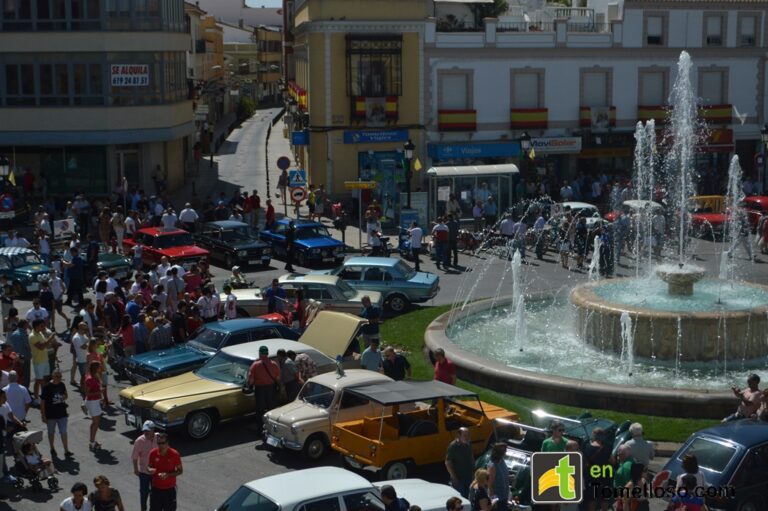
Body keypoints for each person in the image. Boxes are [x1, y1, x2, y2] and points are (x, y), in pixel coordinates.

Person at [147, 432, 182, 511]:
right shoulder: (153, 453)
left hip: (169, 490)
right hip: (156, 489)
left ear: (167, 443)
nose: (160, 445)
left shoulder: (174, 454)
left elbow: (180, 471)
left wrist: (168, 475)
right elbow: (149, 466)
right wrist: (149, 470)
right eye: (158, 443)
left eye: (162, 443)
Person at [248, 346, 280, 429]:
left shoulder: (255, 365)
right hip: (271, 388)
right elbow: (277, 377)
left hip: (260, 389)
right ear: (267, 353)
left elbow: (251, 379)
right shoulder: (274, 364)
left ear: (260, 353)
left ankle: (260, 428)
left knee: (260, 410)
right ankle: (272, 427)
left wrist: (250, 385)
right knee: (271, 408)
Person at [41, 369, 71, 457]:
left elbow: (66, 395)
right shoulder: (46, 387)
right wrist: (43, 415)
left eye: (60, 376)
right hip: (51, 415)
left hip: (62, 413)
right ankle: (52, 447)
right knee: (51, 432)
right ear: (53, 376)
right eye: (57, 376)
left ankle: (66, 450)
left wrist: (63, 397)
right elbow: (42, 402)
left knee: (63, 432)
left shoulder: (62, 384)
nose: (59, 378)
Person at [582, 427, 613, 511]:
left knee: (592, 501)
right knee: (604, 500)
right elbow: (612, 461)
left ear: (593, 435)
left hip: (591, 478)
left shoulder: (587, 447)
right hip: (604, 477)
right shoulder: (607, 448)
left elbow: (585, 462)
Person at [132, 420, 158, 511]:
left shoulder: (159, 438)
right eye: (144, 430)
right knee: (144, 493)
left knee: (155, 493)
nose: (145, 432)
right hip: (144, 472)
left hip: (156, 472)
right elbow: (135, 457)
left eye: (148, 430)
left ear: (153, 430)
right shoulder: (139, 441)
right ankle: (143, 509)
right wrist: (135, 469)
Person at [29, 318, 56, 401]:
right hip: (39, 362)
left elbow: (45, 344)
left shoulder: (40, 333)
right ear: (36, 326)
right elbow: (41, 347)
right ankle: (36, 398)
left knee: (44, 379)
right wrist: (50, 338)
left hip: (45, 360)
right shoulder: (32, 336)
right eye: (42, 326)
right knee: (38, 380)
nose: (44, 327)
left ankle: (44, 396)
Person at [445, 427, 474, 498]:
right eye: (465, 435)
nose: (467, 437)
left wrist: (473, 470)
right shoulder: (453, 446)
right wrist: (454, 477)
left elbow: (471, 456)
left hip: (469, 476)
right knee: (461, 498)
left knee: (470, 497)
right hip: (459, 479)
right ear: (459, 436)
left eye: (468, 435)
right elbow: (448, 463)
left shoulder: (468, 444)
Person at [85, 360, 103, 451]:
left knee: (95, 422)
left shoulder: (96, 376)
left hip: (96, 401)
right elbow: (87, 393)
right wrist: (99, 392)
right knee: (96, 423)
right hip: (92, 402)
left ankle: (92, 441)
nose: (101, 368)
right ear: (96, 368)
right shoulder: (89, 379)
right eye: (99, 366)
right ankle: (92, 442)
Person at [487, 443, 509, 511]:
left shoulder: (502, 461)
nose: (506, 452)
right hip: (497, 500)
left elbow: (501, 476)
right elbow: (490, 485)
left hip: (504, 497)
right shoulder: (492, 466)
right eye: (504, 451)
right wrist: (494, 501)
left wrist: (509, 477)